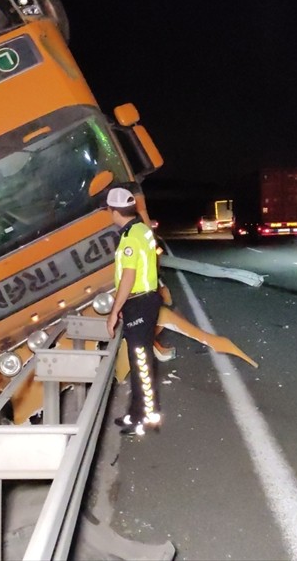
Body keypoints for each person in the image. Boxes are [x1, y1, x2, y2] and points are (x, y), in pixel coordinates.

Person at [104, 186, 164, 437]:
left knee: (140, 361)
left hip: (139, 302)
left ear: (114, 211)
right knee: (140, 360)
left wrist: (114, 311)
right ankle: (137, 412)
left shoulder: (130, 238)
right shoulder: (142, 229)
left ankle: (146, 419)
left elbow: (128, 277)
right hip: (146, 300)